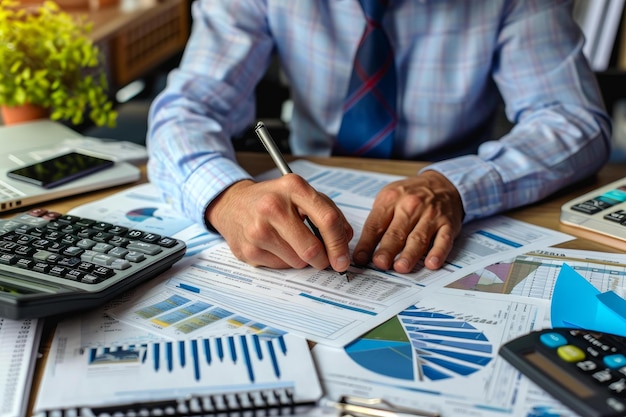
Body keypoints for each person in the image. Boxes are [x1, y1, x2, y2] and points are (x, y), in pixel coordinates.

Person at [147, 0, 611, 275]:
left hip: (453, 184)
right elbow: (188, 108)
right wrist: (225, 197)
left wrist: (456, 185)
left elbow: (573, 120)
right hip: (315, 170)